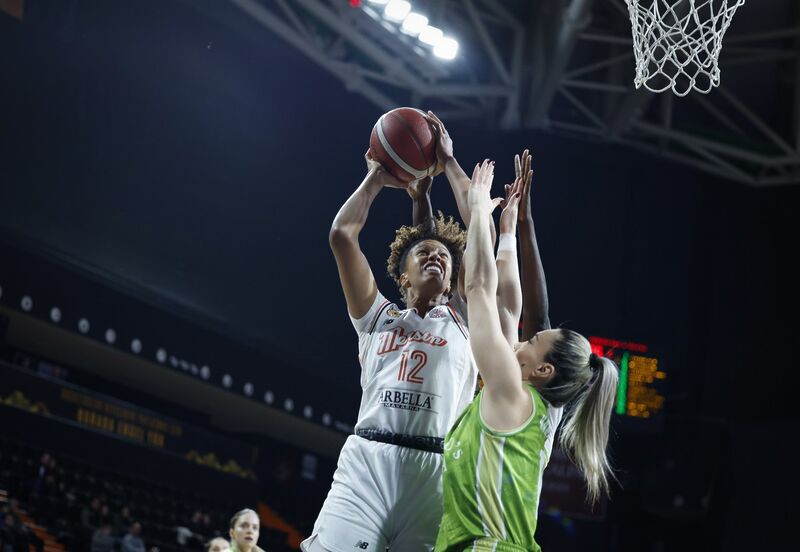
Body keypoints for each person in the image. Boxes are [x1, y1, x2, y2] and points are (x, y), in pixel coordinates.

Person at [433, 160, 618, 551]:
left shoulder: (511, 393)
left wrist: (481, 207)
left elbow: (481, 288)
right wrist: (507, 235)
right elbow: (507, 310)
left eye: (530, 343)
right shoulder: (531, 402)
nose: (519, 341)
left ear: (542, 369)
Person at [302, 148, 479, 552]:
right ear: (402, 275)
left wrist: (443, 171)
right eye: (423, 253)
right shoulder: (376, 317)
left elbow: (475, 231)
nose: (435, 255)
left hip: (436, 473)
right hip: (368, 462)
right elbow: (341, 236)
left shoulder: (464, 320)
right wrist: (377, 179)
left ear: (454, 281)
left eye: (445, 256)